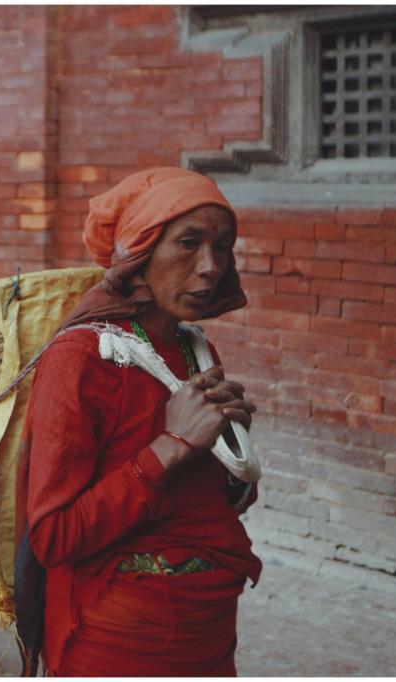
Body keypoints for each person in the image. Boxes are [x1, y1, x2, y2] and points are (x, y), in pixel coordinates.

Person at [16, 167, 262, 676]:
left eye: (223, 246)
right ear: (138, 252)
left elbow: (212, 503)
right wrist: (171, 446)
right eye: (188, 244)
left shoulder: (194, 349)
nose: (210, 267)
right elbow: (55, 536)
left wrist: (231, 449)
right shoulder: (82, 356)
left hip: (208, 626)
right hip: (120, 636)